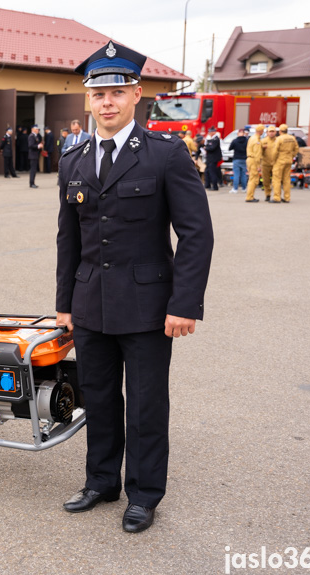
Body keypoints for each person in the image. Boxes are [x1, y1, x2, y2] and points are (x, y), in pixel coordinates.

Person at [55, 41, 214, 534]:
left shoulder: (166, 155)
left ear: (137, 94)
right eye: (99, 93)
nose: (107, 101)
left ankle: (144, 493)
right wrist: (64, 305)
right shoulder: (73, 159)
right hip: (89, 304)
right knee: (98, 397)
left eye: (117, 92)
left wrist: (184, 303)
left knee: (146, 403)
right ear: (88, 99)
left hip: (148, 306)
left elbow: (196, 233)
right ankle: (102, 481)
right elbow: (69, 237)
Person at [271, 124, 298, 204]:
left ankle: (277, 197)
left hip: (280, 160)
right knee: (286, 179)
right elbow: (296, 149)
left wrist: (273, 160)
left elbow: (275, 151)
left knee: (277, 179)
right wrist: (291, 155)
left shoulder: (279, 139)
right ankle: (287, 198)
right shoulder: (292, 138)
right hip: (288, 160)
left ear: (280, 131)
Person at [245, 124, 265, 203]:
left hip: (250, 159)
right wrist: (258, 165)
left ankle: (250, 196)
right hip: (253, 160)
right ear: (261, 131)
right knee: (254, 180)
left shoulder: (252, 138)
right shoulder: (256, 140)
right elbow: (257, 153)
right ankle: (250, 197)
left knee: (252, 178)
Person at [261, 126, 278, 201]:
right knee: (266, 180)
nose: (271, 133)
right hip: (265, 163)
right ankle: (267, 194)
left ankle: (276, 195)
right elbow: (259, 152)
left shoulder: (278, 140)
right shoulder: (263, 141)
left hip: (276, 163)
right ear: (267, 132)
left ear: (275, 132)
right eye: (270, 131)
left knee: (276, 181)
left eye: (273, 131)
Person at [229, 127, 248, 194]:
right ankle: (244, 188)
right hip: (244, 159)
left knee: (236, 174)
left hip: (236, 158)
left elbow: (230, 148)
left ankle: (235, 188)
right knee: (243, 174)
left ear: (238, 134)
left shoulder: (235, 141)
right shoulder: (247, 140)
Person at [203, 126, 222, 191]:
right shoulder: (209, 139)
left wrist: (206, 148)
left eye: (210, 131)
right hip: (209, 158)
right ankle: (207, 184)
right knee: (207, 172)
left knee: (212, 172)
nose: (209, 133)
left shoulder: (215, 139)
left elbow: (212, 148)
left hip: (213, 158)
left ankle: (215, 186)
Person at [28, 124, 43, 188]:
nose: (37, 130)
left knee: (34, 170)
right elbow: (30, 145)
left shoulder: (35, 136)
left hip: (35, 155)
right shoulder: (31, 136)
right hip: (33, 155)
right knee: (33, 170)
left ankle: (32, 182)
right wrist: (38, 146)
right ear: (33, 130)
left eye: (38, 129)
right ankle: (31, 183)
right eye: (36, 129)